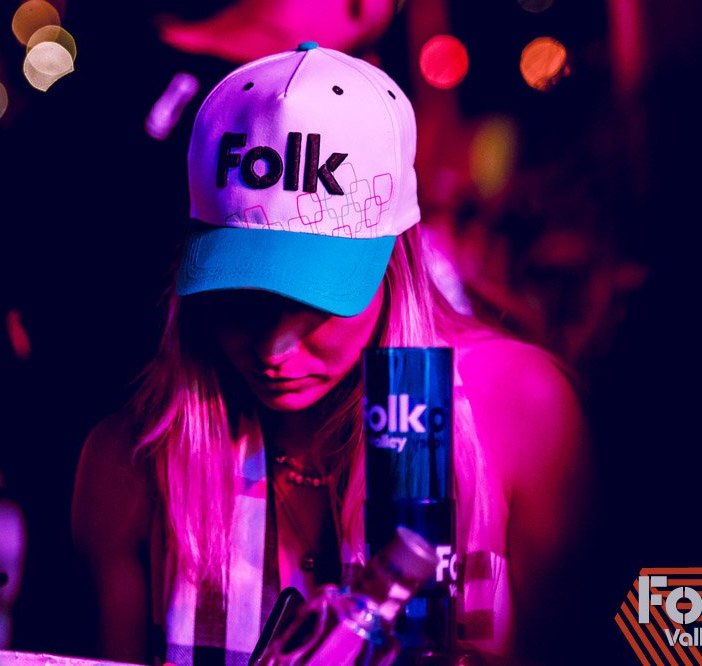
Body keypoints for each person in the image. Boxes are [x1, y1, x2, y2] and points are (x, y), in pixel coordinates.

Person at [73, 44, 587, 665]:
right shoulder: (132, 462)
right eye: (238, 299)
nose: (273, 349)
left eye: (314, 301)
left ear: (394, 264)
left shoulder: (518, 410)